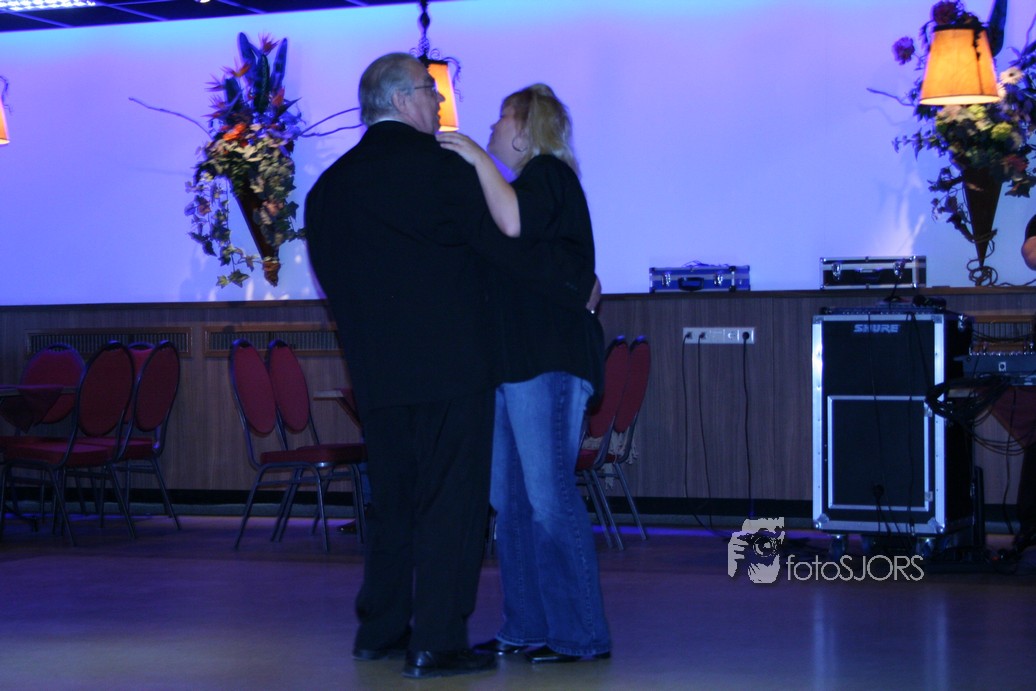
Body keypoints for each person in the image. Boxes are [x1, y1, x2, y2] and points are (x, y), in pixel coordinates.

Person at [303, 52, 497, 680]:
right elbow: (490, 256)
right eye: (431, 91)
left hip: (377, 374)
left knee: (392, 504)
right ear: (402, 99)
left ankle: (380, 630)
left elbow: (332, 281)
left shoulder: (328, 189)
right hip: (453, 368)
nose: (439, 103)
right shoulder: (444, 171)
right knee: (452, 504)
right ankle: (438, 639)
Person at [437, 83, 612, 663]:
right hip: (512, 364)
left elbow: (514, 224)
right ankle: (526, 625)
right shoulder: (520, 193)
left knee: (548, 496)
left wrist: (470, 152)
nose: (489, 129)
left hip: (547, 361)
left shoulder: (548, 177)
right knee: (510, 501)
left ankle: (580, 634)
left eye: (499, 119)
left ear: (523, 129)